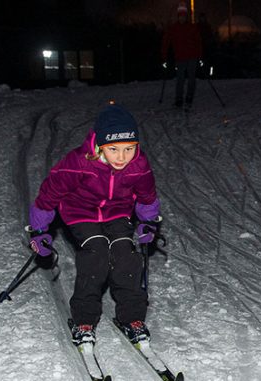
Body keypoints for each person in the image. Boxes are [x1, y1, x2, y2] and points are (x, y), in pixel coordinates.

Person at [28, 103, 162, 348]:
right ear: (99, 145)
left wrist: (148, 223)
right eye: (113, 149)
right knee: (97, 254)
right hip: (81, 211)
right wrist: (39, 230)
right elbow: (49, 195)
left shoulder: (138, 166)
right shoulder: (78, 162)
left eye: (129, 149)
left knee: (125, 255)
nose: (122, 157)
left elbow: (147, 197)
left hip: (118, 212)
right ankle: (84, 321)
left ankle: (132, 318)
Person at [161, 2, 203, 110]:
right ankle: (179, 100)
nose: (182, 18)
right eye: (180, 16)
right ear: (178, 16)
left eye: (184, 16)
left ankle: (189, 98)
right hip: (180, 58)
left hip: (192, 57)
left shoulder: (192, 27)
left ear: (186, 16)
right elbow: (166, 42)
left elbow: (198, 42)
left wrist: (199, 55)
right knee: (180, 79)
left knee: (191, 79)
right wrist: (164, 55)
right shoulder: (173, 28)